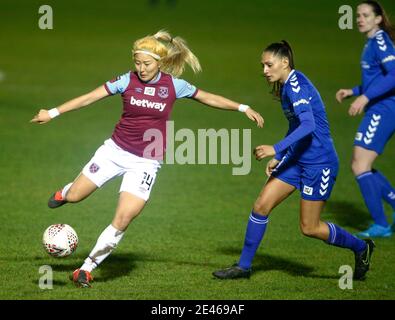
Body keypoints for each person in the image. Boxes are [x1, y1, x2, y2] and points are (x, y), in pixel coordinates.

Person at [30, 30, 264, 288]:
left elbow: (208, 97)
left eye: (147, 64)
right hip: (114, 152)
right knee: (75, 196)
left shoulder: (174, 85)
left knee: (123, 218)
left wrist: (242, 107)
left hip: (146, 162)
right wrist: (52, 112)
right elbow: (89, 97)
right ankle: (66, 192)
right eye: (137, 63)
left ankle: (86, 268)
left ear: (160, 63)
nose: (141, 69)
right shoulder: (125, 80)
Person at [213, 41, 374, 281]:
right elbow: (295, 126)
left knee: (310, 228)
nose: (265, 70)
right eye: (263, 66)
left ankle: (361, 247)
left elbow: (308, 126)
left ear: (285, 62)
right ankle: (243, 267)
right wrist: (281, 157)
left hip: (319, 164)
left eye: (269, 64)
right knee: (261, 206)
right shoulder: (285, 86)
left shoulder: (296, 86)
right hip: (297, 159)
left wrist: (275, 148)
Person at [336, 1, 395, 238]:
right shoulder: (372, 42)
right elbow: (379, 78)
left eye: (366, 15)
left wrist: (365, 97)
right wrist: (355, 91)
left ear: (378, 18)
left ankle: (381, 225)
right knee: (361, 164)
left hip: (383, 109)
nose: (360, 19)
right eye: (358, 15)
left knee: (360, 165)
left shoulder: (380, 40)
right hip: (379, 106)